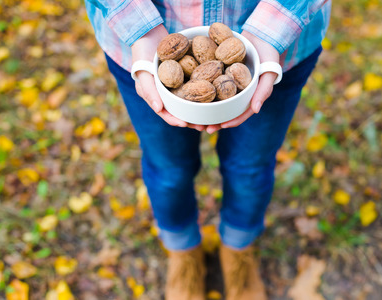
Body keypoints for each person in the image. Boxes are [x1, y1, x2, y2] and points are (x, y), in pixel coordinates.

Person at [84, 1, 331, 299]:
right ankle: (183, 251)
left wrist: (272, 30)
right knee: (168, 170)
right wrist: (140, 30)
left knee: (250, 167)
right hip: (137, 45)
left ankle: (238, 250)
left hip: (281, 46)